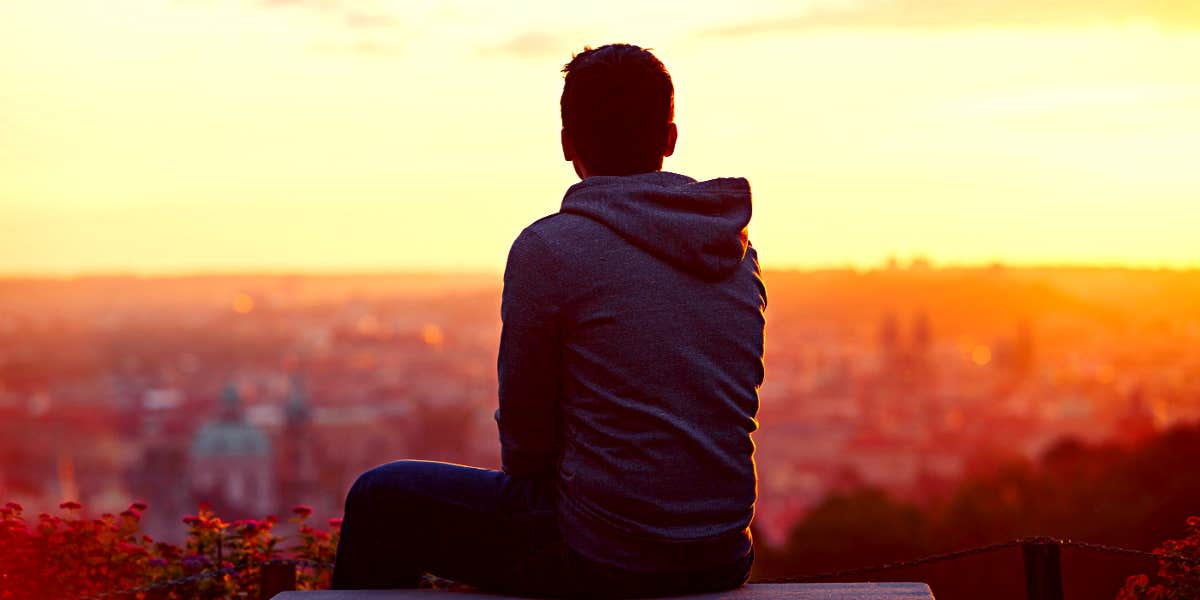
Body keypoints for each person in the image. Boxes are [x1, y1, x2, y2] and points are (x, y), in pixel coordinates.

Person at [331, 43, 766, 598]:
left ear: (567, 145)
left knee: (379, 498)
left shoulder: (551, 250)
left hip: (604, 556)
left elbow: (528, 442)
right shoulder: (733, 249)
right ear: (670, 137)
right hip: (723, 555)